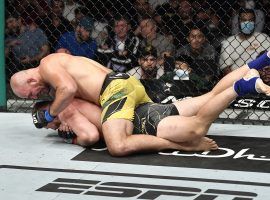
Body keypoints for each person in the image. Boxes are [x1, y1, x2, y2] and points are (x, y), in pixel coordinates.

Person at [10, 51, 270, 156]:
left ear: (31, 81)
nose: (35, 97)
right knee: (208, 97)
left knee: (118, 145)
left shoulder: (48, 67)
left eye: (31, 95)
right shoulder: (63, 65)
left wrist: (49, 116)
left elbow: (69, 92)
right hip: (126, 85)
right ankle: (259, 62)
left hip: (115, 90)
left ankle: (185, 145)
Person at [33, 98, 218, 152]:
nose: (48, 129)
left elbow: (90, 137)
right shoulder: (74, 97)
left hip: (140, 124)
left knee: (199, 125)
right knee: (211, 95)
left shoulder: (66, 109)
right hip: (141, 108)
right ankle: (246, 71)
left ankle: (238, 87)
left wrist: (72, 140)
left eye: (44, 125)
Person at [219, 8, 270, 76]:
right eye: (244, 20)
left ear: (255, 22)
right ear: (239, 22)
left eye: (251, 20)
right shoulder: (228, 43)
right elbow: (226, 69)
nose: (247, 23)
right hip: (238, 80)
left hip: (261, 77)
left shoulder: (264, 38)